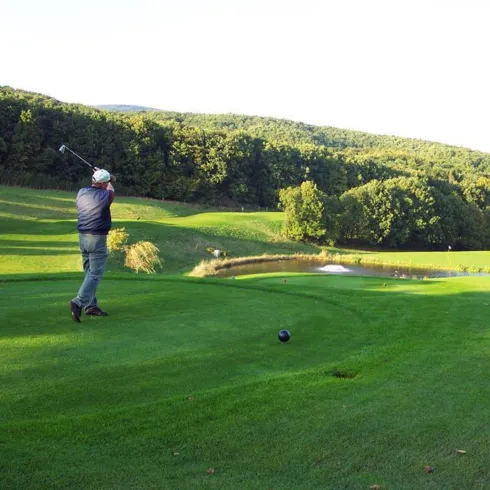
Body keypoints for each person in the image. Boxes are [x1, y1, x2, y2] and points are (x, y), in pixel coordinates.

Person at [69, 169, 114, 322]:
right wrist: (107, 179)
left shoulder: (81, 192)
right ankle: (78, 302)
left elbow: (104, 185)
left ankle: (91, 306)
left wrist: (100, 173)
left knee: (89, 272)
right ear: (103, 183)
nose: (108, 184)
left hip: (83, 237)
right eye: (107, 182)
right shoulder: (106, 194)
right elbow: (111, 190)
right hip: (97, 238)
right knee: (95, 273)